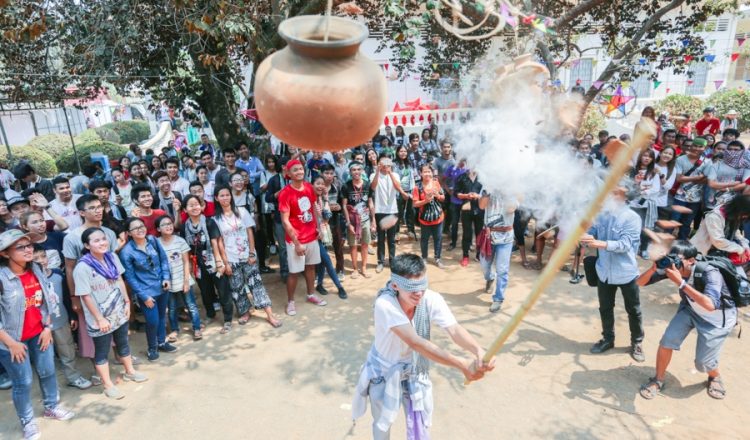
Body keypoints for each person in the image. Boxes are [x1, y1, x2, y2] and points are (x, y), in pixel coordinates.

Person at [351, 253, 495, 439]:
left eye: (422, 285)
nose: (419, 293)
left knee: (420, 425)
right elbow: (416, 342)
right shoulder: (385, 304)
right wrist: (462, 364)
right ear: (395, 285)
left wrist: (478, 351)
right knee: (382, 424)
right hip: (384, 373)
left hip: (414, 370)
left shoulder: (430, 298)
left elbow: (454, 329)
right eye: (412, 288)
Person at [0, 229, 75, 439]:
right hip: (11, 341)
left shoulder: (36, 269)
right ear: (5, 253)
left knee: (48, 371)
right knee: (23, 382)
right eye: (20, 247)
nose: (28, 250)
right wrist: (10, 343)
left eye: (29, 245)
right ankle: (27, 421)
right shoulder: (2, 278)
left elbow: (46, 301)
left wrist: (47, 328)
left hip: (39, 334)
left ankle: (51, 407)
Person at [637, 241, 736, 400]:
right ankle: (658, 379)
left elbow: (711, 305)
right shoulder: (674, 268)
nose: (672, 262)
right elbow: (639, 282)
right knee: (667, 341)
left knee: (703, 363)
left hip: (716, 319)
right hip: (691, 310)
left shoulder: (710, 273)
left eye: (677, 258)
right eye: (670, 257)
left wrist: (681, 283)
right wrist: (653, 269)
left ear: (691, 260)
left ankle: (714, 375)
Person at [74, 227, 147, 399]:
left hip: (119, 311)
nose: (102, 243)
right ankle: (108, 385)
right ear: (87, 245)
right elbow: (85, 295)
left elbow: (119, 280)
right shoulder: (82, 267)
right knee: (102, 350)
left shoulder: (112, 257)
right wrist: (99, 319)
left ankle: (130, 371)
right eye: (96, 240)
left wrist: (127, 302)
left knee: (123, 342)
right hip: (100, 318)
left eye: (103, 239)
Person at [580, 184, 645, 362]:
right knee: (605, 308)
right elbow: (591, 233)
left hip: (626, 273)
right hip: (604, 272)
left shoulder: (632, 218)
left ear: (624, 197)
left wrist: (598, 244)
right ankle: (608, 339)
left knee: (633, 309)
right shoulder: (602, 215)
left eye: (614, 193)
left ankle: (637, 342)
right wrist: (583, 235)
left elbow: (624, 245)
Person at [209, 186, 281, 331]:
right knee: (237, 288)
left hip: (247, 256)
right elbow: (219, 242)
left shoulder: (241, 211)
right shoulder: (215, 219)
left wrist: (252, 252)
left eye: (227, 195)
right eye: (221, 196)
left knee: (257, 285)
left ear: (231, 196)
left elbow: (249, 232)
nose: (225, 198)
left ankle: (269, 314)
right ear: (216, 198)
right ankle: (245, 312)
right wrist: (226, 262)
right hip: (231, 258)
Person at [31, 245, 91, 390]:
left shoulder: (57, 274)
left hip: (60, 320)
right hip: (40, 326)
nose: (41, 261)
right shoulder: (30, 279)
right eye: (36, 258)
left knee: (67, 350)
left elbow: (66, 297)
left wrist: (72, 316)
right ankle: (49, 388)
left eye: (43, 256)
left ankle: (73, 377)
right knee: (45, 357)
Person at [119, 217, 174, 361]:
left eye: (142, 226)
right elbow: (130, 277)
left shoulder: (153, 240)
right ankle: (152, 347)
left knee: (162, 316)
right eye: (135, 228)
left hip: (162, 287)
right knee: (152, 321)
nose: (140, 229)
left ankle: (162, 342)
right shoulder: (127, 252)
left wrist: (166, 278)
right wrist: (143, 296)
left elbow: (163, 259)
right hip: (146, 292)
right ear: (129, 233)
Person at [278, 160, 327, 316]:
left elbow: (313, 206)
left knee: (311, 267)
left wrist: (318, 226)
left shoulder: (308, 187)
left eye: (301, 169)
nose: (299, 171)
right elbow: (285, 221)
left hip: (311, 236)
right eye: (295, 170)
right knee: (293, 272)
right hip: (295, 240)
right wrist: (297, 243)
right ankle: (291, 301)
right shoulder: (285, 193)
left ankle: (311, 294)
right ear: (289, 174)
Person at [155, 216, 203, 341]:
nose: (168, 226)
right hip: (168, 282)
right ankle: (175, 330)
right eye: (164, 224)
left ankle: (197, 328)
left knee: (191, 305)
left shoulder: (180, 241)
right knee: (171, 308)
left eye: (170, 223)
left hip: (182, 279)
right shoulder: (156, 243)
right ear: (158, 229)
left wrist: (186, 281)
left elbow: (186, 262)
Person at [181, 195, 221, 325]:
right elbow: (185, 248)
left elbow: (215, 242)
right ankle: (210, 314)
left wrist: (219, 261)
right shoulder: (184, 227)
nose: (194, 207)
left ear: (202, 206)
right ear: (185, 210)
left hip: (213, 259)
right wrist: (190, 267)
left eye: (196, 204)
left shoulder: (209, 222)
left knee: (222, 287)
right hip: (197, 262)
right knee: (205, 290)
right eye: (190, 205)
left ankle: (227, 316)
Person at [370, 155, 410, 274]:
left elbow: (398, 188)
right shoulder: (374, 174)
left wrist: (390, 173)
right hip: (380, 211)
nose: (385, 165)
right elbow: (372, 187)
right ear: (379, 163)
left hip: (392, 210)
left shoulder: (395, 175)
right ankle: (380, 262)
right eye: (383, 162)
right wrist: (377, 171)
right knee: (381, 238)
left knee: (391, 239)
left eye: (388, 162)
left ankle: (392, 261)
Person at [478, 191, 516, 312]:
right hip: (489, 236)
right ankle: (490, 278)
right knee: (484, 265)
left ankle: (498, 298)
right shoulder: (487, 187)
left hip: (506, 237)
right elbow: (481, 206)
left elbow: (511, 208)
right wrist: (487, 193)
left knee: (502, 269)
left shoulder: (513, 189)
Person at [312, 175, 348, 299]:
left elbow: (327, 216)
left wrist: (326, 199)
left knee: (322, 262)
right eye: (318, 183)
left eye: (322, 184)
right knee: (327, 260)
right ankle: (340, 287)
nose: (321, 186)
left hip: (321, 235)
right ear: (312, 185)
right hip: (313, 236)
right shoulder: (310, 200)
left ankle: (320, 284)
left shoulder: (321, 199)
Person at [342, 161, 376, 278]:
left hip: (365, 219)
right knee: (353, 245)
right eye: (353, 170)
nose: (356, 172)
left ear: (362, 171)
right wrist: (348, 223)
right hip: (352, 221)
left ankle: (364, 267)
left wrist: (373, 221)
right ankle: (355, 269)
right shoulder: (346, 186)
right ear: (350, 172)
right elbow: (344, 206)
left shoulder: (367, 185)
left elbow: (370, 203)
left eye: (358, 169)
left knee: (365, 244)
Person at [671, 138, 709, 240]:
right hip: (680, 196)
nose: (697, 148)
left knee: (687, 222)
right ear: (691, 146)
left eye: (700, 146)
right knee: (674, 219)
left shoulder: (707, 162)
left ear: (705, 148)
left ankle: (681, 244)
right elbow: (679, 178)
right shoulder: (681, 159)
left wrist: (687, 178)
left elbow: (707, 180)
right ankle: (665, 242)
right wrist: (697, 178)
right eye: (695, 145)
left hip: (696, 199)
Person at [412, 164, 446, 268]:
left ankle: (437, 258)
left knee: (438, 238)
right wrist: (425, 201)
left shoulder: (436, 183)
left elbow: (443, 198)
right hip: (425, 219)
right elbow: (415, 203)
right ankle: (424, 258)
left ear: (432, 173)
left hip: (438, 217)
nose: (427, 173)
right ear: (420, 173)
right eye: (424, 172)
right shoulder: (417, 187)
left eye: (429, 171)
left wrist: (438, 196)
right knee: (424, 239)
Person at [320, 164, 345, 279]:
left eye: (331, 173)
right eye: (326, 173)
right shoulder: (317, 186)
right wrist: (328, 206)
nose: (329, 176)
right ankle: (321, 270)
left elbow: (342, 203)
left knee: (338, 246)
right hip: (320, 221)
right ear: (321, 174)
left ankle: (340, 270)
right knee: (322, 247)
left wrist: (339, 207)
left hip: (335, 220)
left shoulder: (338, 185)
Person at [456, 169, 484, 267]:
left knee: (480, 233)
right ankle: (465, 256)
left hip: (480, 208)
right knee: (467, 233)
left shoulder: (483, 177)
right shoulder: (462, 177)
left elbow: (487, 193)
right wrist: (466, 195)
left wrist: (478, 196)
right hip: (466, 208)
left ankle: (479, 254)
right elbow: (456, 193)